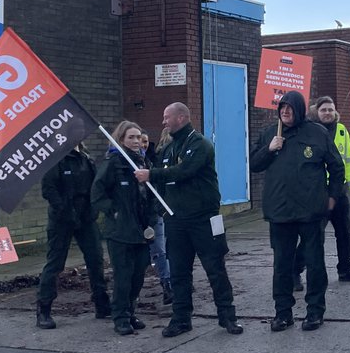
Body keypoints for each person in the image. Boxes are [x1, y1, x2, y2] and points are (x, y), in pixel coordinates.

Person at [250, 90, 345, 331]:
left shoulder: (317, 133)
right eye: (282, 108)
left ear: (299, 110)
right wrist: (269, 148)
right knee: (282, 265)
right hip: (280, 212)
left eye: (289, 108)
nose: (285, 112)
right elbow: (254, 164)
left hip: (310, 211)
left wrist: (332, 197)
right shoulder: (270, 134)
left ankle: (315, 311)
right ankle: (283, 313)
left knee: (314, 264)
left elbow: (336, 167)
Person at [150, 102, 243, 337]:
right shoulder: (168, 149)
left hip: (204, 219)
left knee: (215, 269)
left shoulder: (200, 145)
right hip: (176, 221)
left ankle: (228, 317)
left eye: (167, 117)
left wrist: (151, 174)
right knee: (179, 272)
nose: (163, 122)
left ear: (181, 117)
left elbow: (185, 171)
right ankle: (181, 319)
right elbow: (161, 184)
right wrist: (162, 209)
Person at [36, 141, 110, 328]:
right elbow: (49, 189)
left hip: (86, 218)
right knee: (55, 263)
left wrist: (93, 210)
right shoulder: (56, 159)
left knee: (96, 259)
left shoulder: (86, 159)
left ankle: (101, 302)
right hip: (62, 219)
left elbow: (94, 187)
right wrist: (64, 211)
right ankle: (44, 309)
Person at [295, 96, 350, 283]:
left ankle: (345, 269)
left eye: (330, 109)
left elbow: (349, 161)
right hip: (318, 192)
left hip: (339, 191)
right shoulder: (309, 131)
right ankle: (295, 271)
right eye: (323, 110)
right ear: (316, 112)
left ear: (335, 112)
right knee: (313, 235)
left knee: (344, 232)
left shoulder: (342, 130)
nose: (327, 113)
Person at [91, 120, 153, 336]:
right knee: (123, 276)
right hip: (120, 231)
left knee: (138, 276)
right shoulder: (113, 163)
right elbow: (97, 194)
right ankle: (120, 317)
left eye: (138, 137)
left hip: (142, 230)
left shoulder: (143, 162)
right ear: (121, 139)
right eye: (131, 137)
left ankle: (130, 311)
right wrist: (114, 211)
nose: (136, 141)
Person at [142, 130, 174, 307]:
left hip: (154, 214)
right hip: (133, 218)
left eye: (145, 140)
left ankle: (167, 285)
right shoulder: (120, 163)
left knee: (159, 250)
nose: (142, 144)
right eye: (136, 139)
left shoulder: (154, 160)